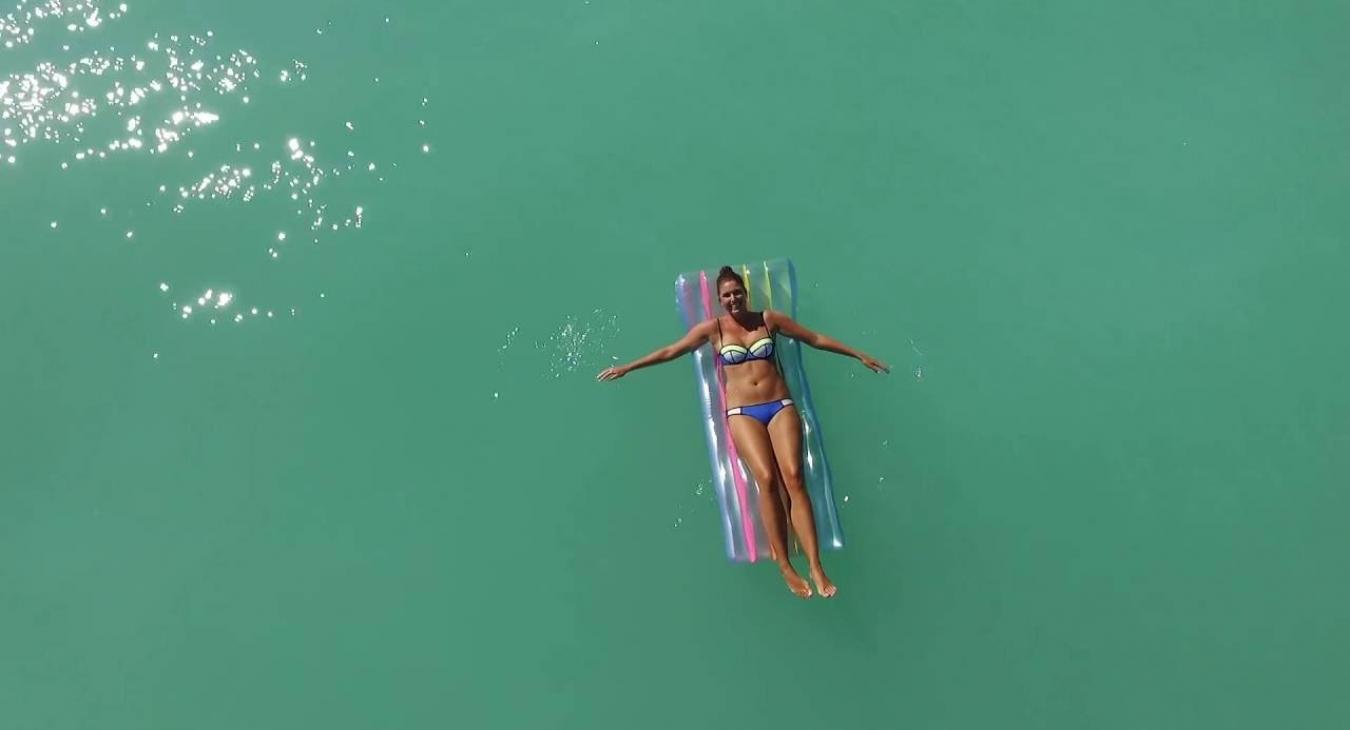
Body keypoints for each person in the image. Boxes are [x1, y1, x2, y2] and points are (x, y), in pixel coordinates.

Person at [597, 266, 889, 598]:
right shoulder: (713, 329)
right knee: (766, 478)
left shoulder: (769, 320)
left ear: (746, 294)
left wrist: (858, 355)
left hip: (780, 405)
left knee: (794, 477)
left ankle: (816, 567)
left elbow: (815, 338)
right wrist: (628, 367)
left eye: (737, 292)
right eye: (727, 295)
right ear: (719, 300)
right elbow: (671, 351)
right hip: (742, 413)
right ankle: (785, 567)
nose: (733, 298)